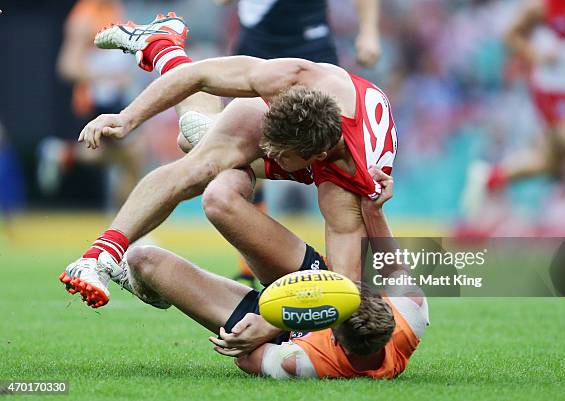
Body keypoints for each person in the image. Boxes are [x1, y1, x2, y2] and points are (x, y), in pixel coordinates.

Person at [59, 13, 397, 308]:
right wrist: (128, 117)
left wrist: (279, 320)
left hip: (341, 153)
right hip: (309, 121)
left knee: (194, 140)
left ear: (315, 159)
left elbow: (346, 287)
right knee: (198, 167)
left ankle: (162, 46)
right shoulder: (294, 76)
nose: (264, 149)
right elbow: (199, 76)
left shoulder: (349, 185)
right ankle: (97, 257)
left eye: (277, 153)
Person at [63, 165, 427, 379]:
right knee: (219, 200)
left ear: (334, 336)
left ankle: (147, 285)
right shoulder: (409, 314)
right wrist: (375, 208)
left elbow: (244, 357)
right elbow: (391, 264)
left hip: (279, 332)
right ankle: (232, 156)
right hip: (311, 276)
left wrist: (266, 327)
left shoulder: (301, 361)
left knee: (144, 259)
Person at [211, 0, 383, 286]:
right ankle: (250, 263)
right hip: (258, 45)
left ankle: (354, 273)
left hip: (311, 46)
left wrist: (369, 31)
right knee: (245, 151)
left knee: (334, 159)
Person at [462, 0, 565, 235]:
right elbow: (510, 36)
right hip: (550, 89)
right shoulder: (542, 6)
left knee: (549, 163)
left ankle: (489, 177)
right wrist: (536, 53)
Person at [38, 0, 143, 208]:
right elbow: (67, 67)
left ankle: (63, 153)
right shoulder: (84, 17)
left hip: (114, 98)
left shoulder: (113, 8)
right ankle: (128, 226)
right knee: (135, 154)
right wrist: (109, 77)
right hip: (96, 100)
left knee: (124, 156)